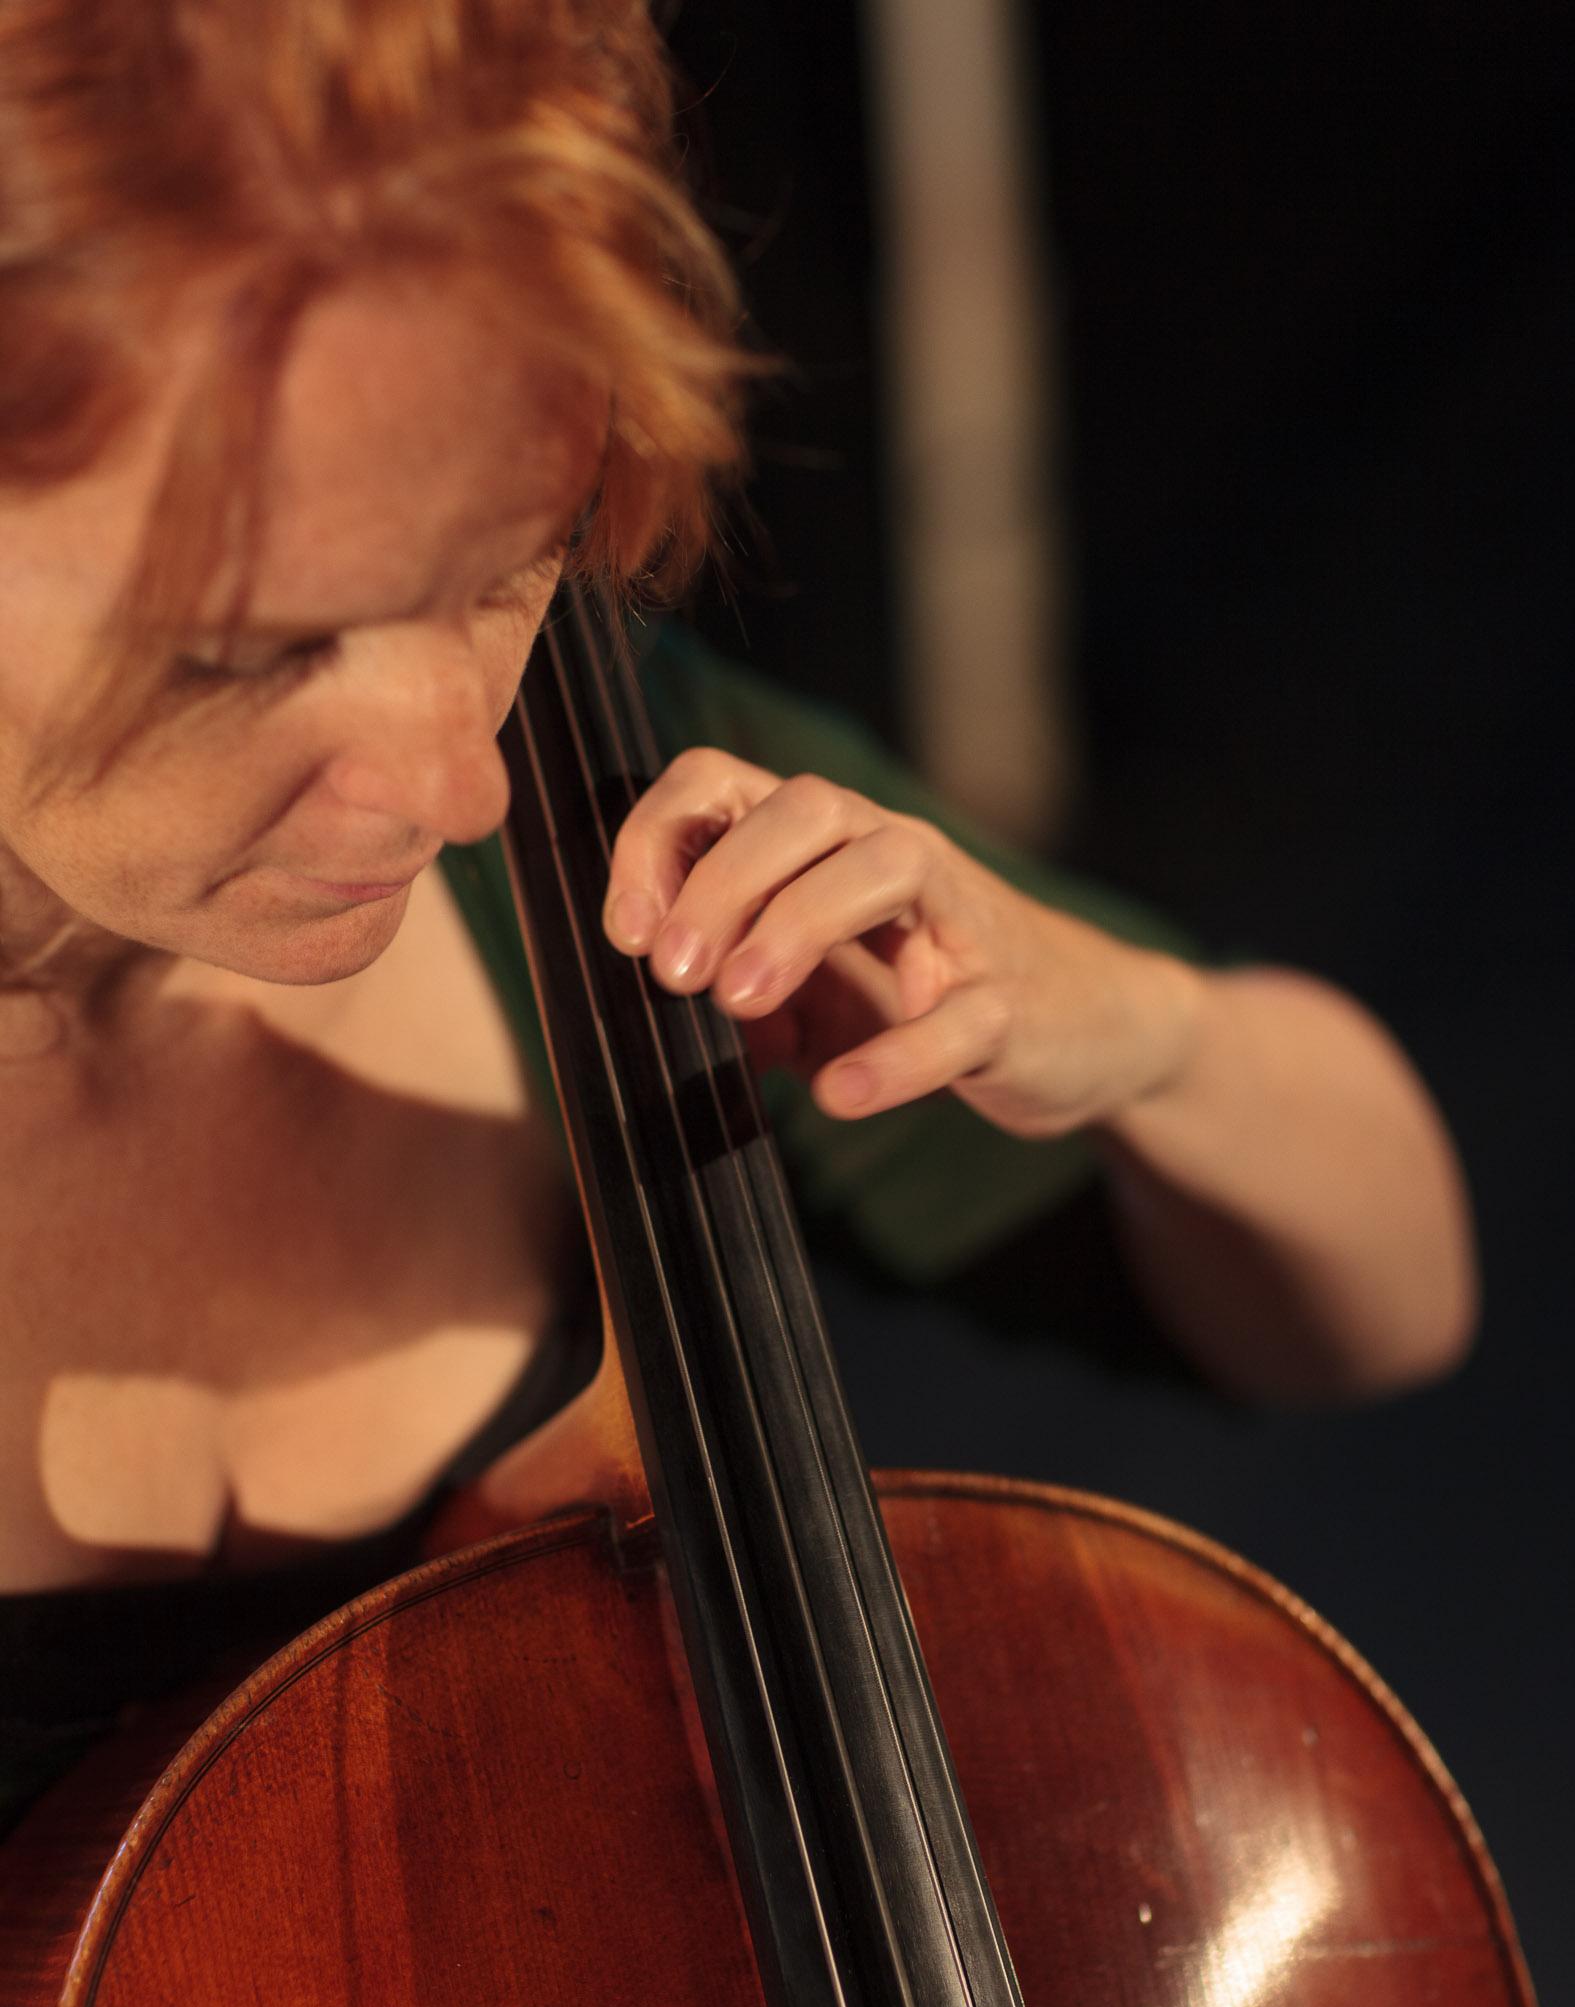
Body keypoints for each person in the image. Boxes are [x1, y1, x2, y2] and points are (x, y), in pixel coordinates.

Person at [0, 0, 1476, 1829]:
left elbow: (1384, 1308)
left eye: (507, 564)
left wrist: (1140, 1030)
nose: (462, 782)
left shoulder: (603, 806)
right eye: (248, 655)